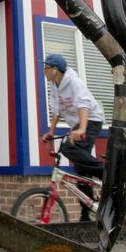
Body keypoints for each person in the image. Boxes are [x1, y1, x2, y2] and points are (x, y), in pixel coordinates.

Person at [40, 53, 105, 222]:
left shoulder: (73, 81)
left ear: (54, 70)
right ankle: (88, 213)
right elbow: (56, 110)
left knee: (68, 148)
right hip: (78, 123)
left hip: (91, 119)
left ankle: (105, 171)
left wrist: (82, 128)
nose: (43, 71)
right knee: (81, 171)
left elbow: (84, 104)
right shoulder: (55, 85)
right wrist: (51, 132)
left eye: (45, 67)